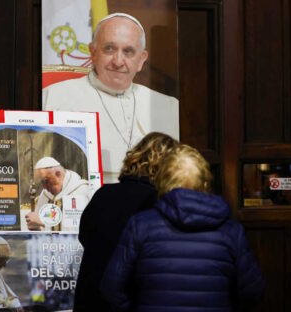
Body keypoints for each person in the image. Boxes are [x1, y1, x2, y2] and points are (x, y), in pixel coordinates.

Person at [101, 144, 265, 311]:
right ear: (206, 183)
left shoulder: (140, 226)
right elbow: (253, 291)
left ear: (162, 182)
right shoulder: (231, 232)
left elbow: (111, 288)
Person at [43, 13, 179, 183]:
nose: (118, 61)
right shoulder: (53, 97)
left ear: (141, 60)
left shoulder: (168, 106)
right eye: (109, 49)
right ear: (92, 52)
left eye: (128, 51)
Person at [74, 132, 178, 311]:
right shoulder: (159, 202)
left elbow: (84, 236)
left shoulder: (103, 194)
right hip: (127, 299)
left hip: (90, 297)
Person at [25, 156, 90, 231]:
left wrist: (42, 222)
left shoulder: (80, 192)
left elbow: (76, 228)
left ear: (58, 174)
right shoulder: (45, 194)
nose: (44, 187)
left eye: (46, 181)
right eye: (41, 182)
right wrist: (34, 225)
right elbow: (39, 226)